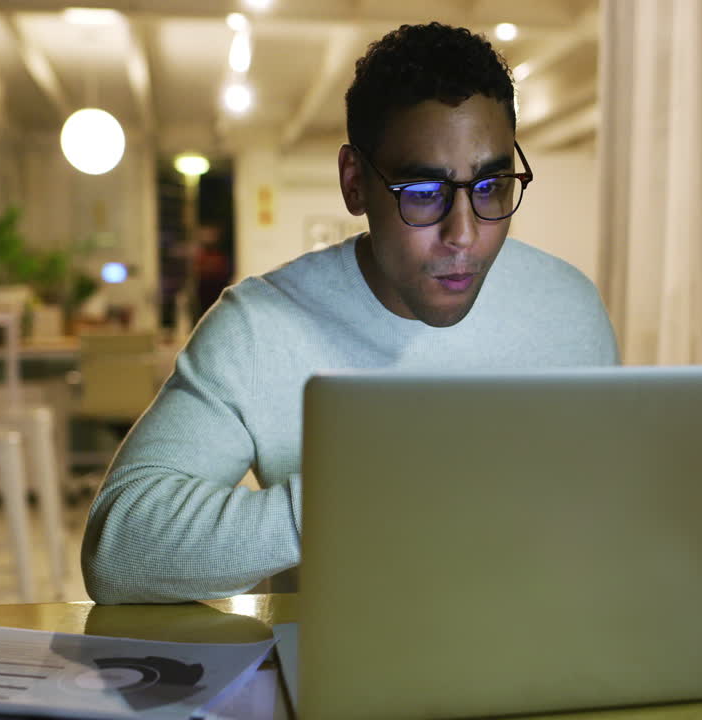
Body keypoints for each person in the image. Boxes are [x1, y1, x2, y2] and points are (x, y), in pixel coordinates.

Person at [81, 22, 619, 604]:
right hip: (354, 677)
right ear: (354, 183)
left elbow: (617, 515)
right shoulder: (262, 327)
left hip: (554, 651)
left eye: (490, 187)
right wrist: (355, 496)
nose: (463, 235)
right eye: (422, 192)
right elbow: (118, 548)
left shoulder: (569, 307)